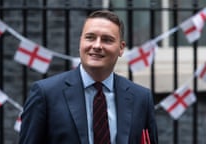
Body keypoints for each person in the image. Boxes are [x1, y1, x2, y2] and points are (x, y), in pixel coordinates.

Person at [19, 10, 158, 144]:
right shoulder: (46, 94)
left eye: (107, 40)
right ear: (81, 42)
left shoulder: (141, 98)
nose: (97, 45)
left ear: (121, 48)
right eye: (90, 37)